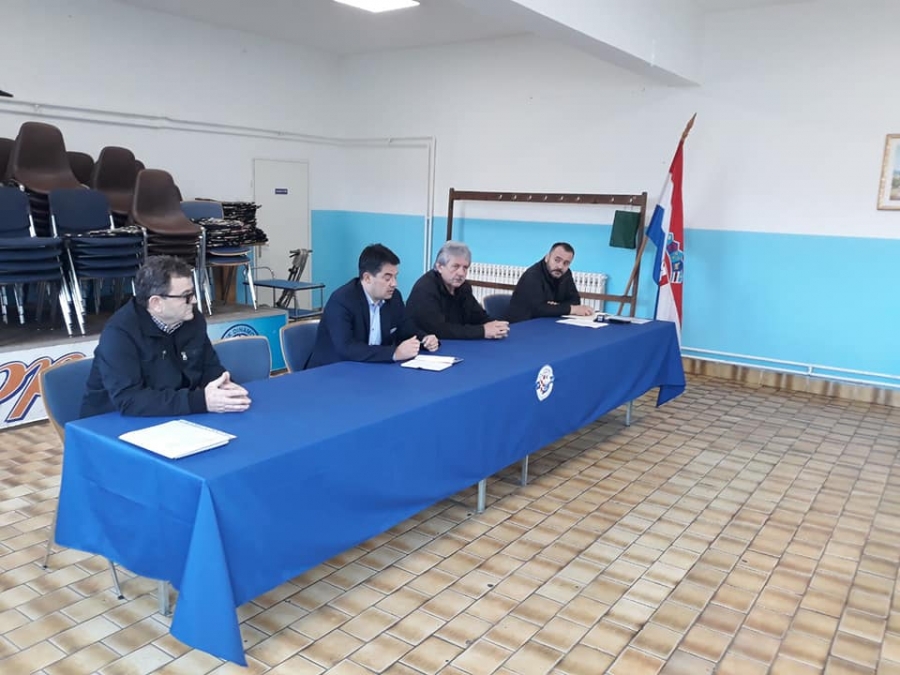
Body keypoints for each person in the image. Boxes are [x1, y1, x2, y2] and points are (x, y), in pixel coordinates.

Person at [81, 255, 251, 417]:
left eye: (193, 293)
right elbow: (129, 399)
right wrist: (201, 401)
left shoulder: (192, 319)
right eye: (186, 296)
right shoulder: (119, 334)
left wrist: (224, 388)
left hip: (170, 414)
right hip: (112, 421)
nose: (193, 301)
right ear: (156, 303)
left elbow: (209, 367)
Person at [307, 243, 439, 368]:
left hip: (372, 369)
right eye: (387, 278)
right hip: (333, 371)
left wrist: (424, 339)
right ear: (367, 278)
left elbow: (405, 328)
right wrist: (394, 353)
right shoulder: (342, 301)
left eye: (395, 277)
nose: (394, 284)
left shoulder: (394, 298)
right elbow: (347, 348)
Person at [406, 241, 509, 340]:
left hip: (456, 343)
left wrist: (495, 326)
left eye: (465, 268)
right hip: (426, 346)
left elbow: (477, 316)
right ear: (440, 267)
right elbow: (439, 330)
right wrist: (482, 331)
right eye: (455, 266)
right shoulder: (425, 289)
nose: (461, 273)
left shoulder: (463, 287)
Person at [506, 242, 595, 323]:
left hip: (547, 322)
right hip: (523, 325)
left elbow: (575, 300)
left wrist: (556, 307)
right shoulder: (532, 275)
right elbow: (538, 310)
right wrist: (572, 309)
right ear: (547, 257)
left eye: (566, 263)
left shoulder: (566, 274)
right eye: (557, 260)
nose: (560, 266)